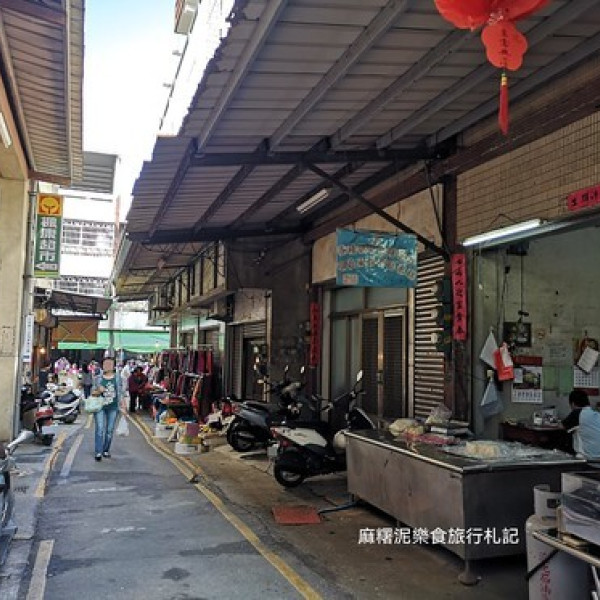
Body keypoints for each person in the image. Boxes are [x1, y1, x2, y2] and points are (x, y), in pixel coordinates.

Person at [91, 356, 122, 461]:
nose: (107, 366)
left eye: (110, 364)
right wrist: (98, 390)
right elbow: (92, 393)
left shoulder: (118, 378)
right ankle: (98, 452)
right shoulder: (97, 378)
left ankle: (105, 450)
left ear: (114, 366)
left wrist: (123, 405)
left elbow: (121, 392)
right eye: (105, 364)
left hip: (113, 407)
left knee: (109, 430)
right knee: (99, 429)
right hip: (100, 406)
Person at [561, 389, 600, 460]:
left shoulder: (577, 413)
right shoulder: (597, 415)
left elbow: (561, 426)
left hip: (590, 460)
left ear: (572, 404)